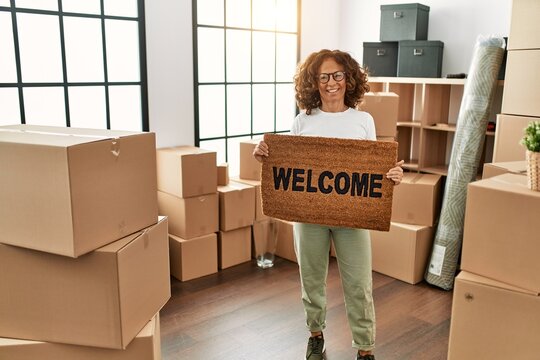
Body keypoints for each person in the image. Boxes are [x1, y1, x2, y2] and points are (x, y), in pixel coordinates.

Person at [253, 49, 404, 360]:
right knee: (311, 280)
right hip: (309, 218)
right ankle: (316, 335)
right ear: (314, 82)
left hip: (353, 219)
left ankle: (365, 349)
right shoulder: (301, 121)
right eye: (323, 77)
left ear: (348, 79)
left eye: (337, 75)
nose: (331, 82)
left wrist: (391, 175)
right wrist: (265, 155)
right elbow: (288, 163)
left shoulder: (364, 120)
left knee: (359, 285)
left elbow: (372, 168)